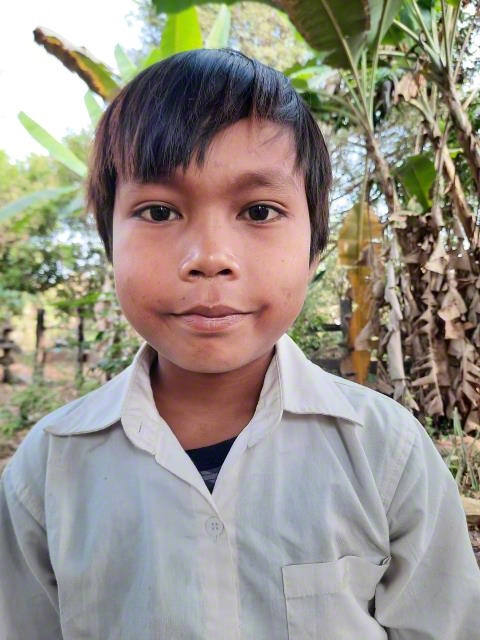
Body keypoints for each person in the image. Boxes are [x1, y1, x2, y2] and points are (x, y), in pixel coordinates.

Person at [0, 49, 479, 640]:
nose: (209, 257)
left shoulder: (387, 453)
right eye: (159, 211)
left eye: (259, 210)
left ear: (314, 250)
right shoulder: (47, 473)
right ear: (109, 243)